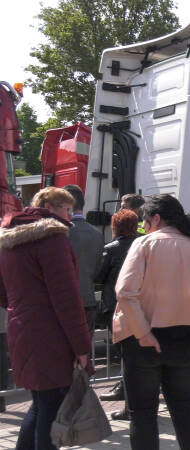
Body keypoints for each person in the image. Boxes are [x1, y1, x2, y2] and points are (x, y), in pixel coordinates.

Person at [114, 194, 190, 449]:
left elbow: (125, 292)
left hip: (142, 337)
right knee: (183, 405)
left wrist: (143, 332)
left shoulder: (144, 244)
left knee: (143, 412)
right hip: (185, 336)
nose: (143, 227)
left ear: (156, 218)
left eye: (144, 221)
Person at [0, 187, 92, 450]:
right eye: (66, 209)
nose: (70, 216)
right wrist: (82, 348)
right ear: (49, 207)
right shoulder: (52, 239)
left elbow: (3, 293)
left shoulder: (8, 240)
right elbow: (67, 298)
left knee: (41, 404)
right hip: (51, 334)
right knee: (51, 409)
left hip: (21, 328)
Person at [95, 209, 140, 420]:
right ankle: (133, 400)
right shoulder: (143, 245)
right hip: (140, 306)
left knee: (126, 357)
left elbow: (98, 276)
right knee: (136, 357)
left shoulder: (111, 249)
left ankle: (130, 407)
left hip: (116, 308)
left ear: (115, 227)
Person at [63, 184, 104, 337]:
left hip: (65, 303)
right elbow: (98, 270)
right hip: (88, 301)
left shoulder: (61, 233)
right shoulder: (97, 235)